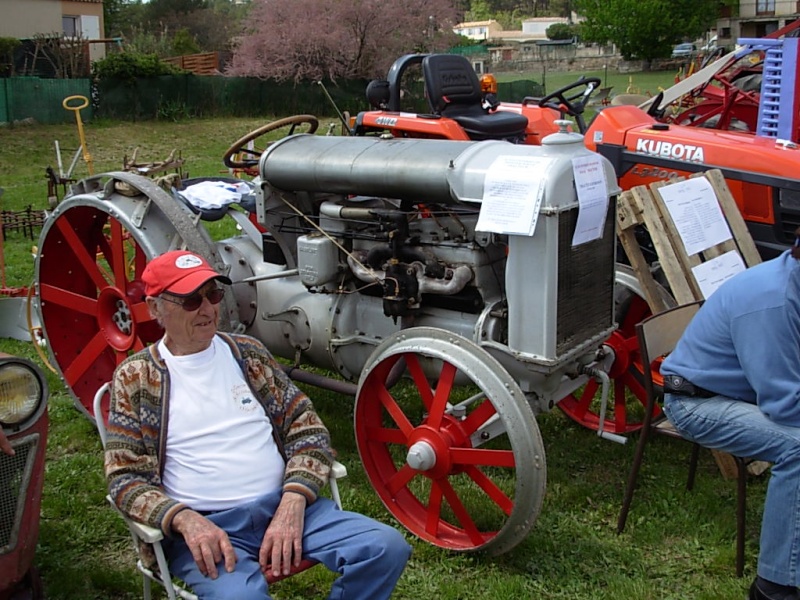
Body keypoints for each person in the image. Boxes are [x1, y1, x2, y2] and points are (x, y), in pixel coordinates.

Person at [104, 250, 411, 600]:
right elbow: (124, 476)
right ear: (155, 308)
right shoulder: (137, 378)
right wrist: (183, 520)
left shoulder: (247, 354)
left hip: (285, 505)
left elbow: (307, 429)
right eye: (191, 301)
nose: (208, 310)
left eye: (213, 295)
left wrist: (293, 501)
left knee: (384, 548)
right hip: (208, 528)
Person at [660, 240, 800, 600]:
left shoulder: (792, 280)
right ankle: (776, 586)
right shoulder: (773, 300)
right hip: (698, 404)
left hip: (744, 392)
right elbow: (784, 406)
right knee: (798, 448)